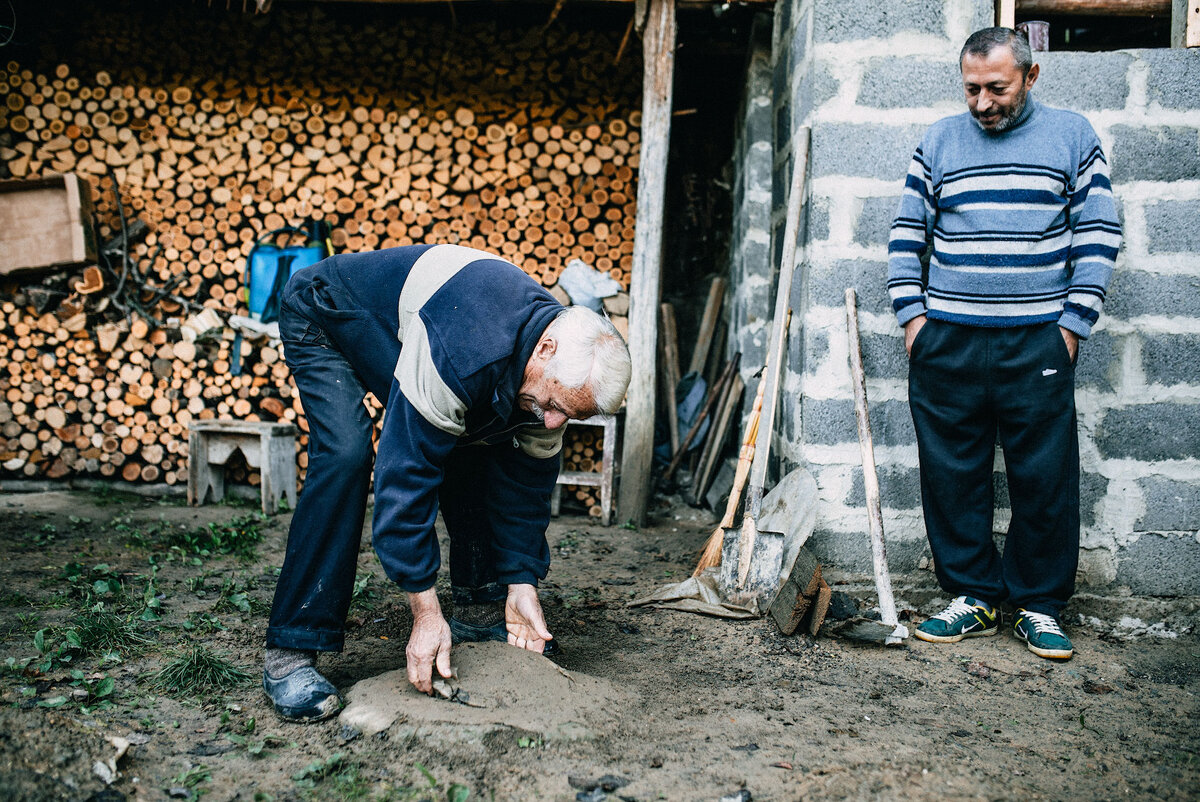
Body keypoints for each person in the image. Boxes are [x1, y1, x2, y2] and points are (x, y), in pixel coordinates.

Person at [262, 243, 631, 721]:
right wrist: (424, 610)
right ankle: (290, 647)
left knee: (481, 441)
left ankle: (481, 611)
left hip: (416, 338)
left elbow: (526, 490)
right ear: (545, 349)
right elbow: (404, 478)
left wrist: (521, 581)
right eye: (558, 405)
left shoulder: (550, 380)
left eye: (572, 416)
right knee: (346, 454)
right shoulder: (466, 348)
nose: (556, 422)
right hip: (330, 316)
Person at [887, 28, 1120, 660]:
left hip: (1036, 342)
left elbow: (1098, 233)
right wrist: (915, 321)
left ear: (1031, 76)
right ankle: (972, 596)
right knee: (951, 474)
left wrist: (1071, 327)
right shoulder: (937, 140)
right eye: (972, 89)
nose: (984, 103)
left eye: (998, 88)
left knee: (1043, 478)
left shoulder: (1072, 136)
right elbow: (908, 232)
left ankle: (1038, 606)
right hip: (948, 340)